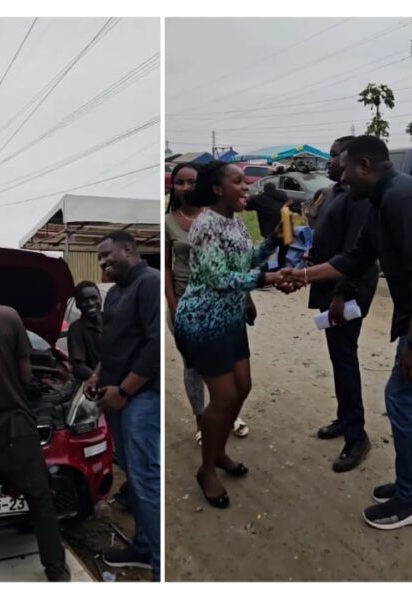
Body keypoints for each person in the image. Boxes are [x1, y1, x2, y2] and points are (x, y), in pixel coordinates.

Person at [279, 135, 412, 530]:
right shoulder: (378, 200)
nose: (338, 173)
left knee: (403, 399)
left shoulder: (402, 198)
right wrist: (302, 275)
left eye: (343, 164)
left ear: (365, 166)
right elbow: (355, 258)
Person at [173, 161, 285, 510]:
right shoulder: (205, 225)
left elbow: (243, 260)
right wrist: (269, 280)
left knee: (243, 387)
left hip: (230, 318)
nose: (246, 186)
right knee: (222, 397)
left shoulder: (234, 220)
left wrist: (272, 243)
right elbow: (219, 278)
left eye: (245, 181)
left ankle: (219, 451)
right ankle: (206, 470)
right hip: (203, 321)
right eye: (238, 181)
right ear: (218, 189)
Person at [0, 256, 69, 582]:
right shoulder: (7, 316)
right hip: (16, 430)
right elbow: (25, 374)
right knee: (41, 501)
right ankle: (56, 571)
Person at [85, 231, 161, 579]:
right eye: (99, 258)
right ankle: (144, 547)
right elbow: (114, 343)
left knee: (146, 479)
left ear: (129, 250)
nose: (103, 262)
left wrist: (126, 391)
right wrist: (98, 375)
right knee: (135, 476)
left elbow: (154, 345)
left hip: (140, 399)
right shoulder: (116, 292)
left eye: (107, 254)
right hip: (117, 396)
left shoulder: (149, 283)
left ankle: (159, 564)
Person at [308, 135, 378, 472]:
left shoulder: (359, 197)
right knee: (338, 357)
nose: (331, 162)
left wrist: (340, 294)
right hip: (329, 284)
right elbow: (330, 235)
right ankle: (343, 417)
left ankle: (357, 436)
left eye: (336, 157)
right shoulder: (335, 192)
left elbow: (356, 252)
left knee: (345, 359)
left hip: (346, 290)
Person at [165, 162, 248, 444]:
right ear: (173, 187)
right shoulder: (168, 222)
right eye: (180, 182)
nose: (186, 187)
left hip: (222, 305)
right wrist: (173, 306)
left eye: (192, 181)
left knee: (226, 370)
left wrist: (246, 297)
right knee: (194, 367)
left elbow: (238, 260)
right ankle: (202, 418)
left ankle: (222, 414)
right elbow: (165, 268)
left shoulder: (221, 216)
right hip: (187, 305)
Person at [246, 181, 291, 269]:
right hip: (285, 229)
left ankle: (265, 270)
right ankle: (282, 269)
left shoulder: (260, 198)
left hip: (269, 231)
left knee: (267, 252)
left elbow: (247, 206)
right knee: (283, 254)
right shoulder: (283, 196)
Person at [67, 280, 103, 381]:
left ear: (100, 299)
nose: (90, 303)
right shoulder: (77, 328)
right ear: (78, 305)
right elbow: (78, 367)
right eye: (84, 300)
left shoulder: (112, 320)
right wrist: (99, 380)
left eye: (94, 298)